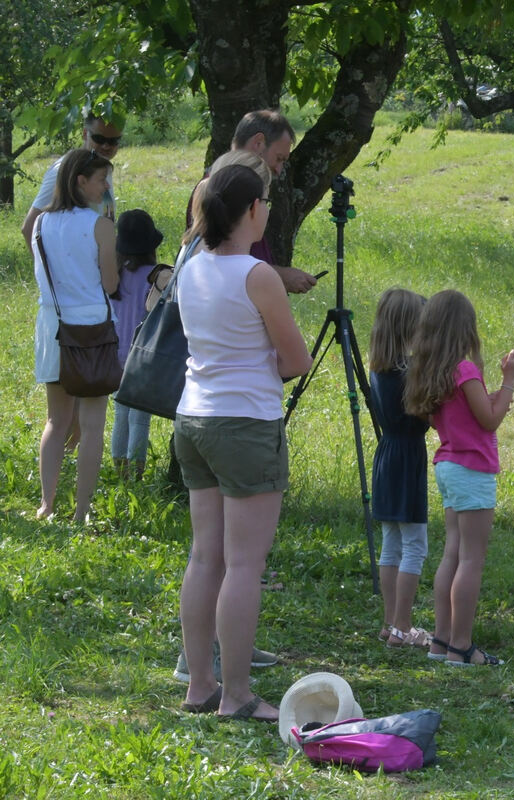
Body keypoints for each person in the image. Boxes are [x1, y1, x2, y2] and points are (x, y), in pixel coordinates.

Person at [174, 161, 312, 721]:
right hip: (245, 424)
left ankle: (199, 685)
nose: (270, 210)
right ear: (250, 210)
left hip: (193, 419)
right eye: (266, 202)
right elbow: (296, 360)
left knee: (205, 557)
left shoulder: (190, 266)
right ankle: (236, 695)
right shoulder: (257, 275)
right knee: (244, 566)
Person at [406, 290, 514, 666]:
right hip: (472, 469)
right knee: (471, 559)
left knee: (453, 553)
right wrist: (510, 380)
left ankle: (441, 641)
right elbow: (489, 420)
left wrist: (492, 390)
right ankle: (461, 645)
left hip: (448, 465)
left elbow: (471, 413)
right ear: (465, 329)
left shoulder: (434, 372)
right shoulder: (463, 370)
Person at [30, 148, 118, 523]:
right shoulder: (100, 225)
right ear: (81, 182)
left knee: (56, 419)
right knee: (94, 425)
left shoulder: (40, 224)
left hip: (52, 325)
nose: (105, 187)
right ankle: (81, 512)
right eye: (101, 180)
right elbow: (111, 283)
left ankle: (46, 504)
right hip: (93, 328)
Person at [185, 109, 316, 295]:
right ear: (258, 143)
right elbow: (220, 264)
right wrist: (280, 276)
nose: (279, 170)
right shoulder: (216, 190)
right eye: (279, 159)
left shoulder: (223, 186)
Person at [368, 287, 432, 649]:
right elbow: (428, 416)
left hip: (387, 455)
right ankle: (403, 628)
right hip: (407, 457)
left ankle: (390, 621)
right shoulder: (409, 375)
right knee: (415, 545)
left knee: (392, 542)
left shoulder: (380, 369)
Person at [110, 209, 164, 480]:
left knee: (120, 415)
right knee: (139, 418)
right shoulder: (154, 278)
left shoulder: (113, 276)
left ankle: (119, 473)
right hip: (144, 357)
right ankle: (137, 475)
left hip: (115, 356)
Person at [22, 114, 122, 249]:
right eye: (99, 139)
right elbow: (29, 228)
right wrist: (45, 269)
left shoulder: (103, 168)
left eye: (113, 141)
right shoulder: (64, 171)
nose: (106, 146)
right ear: (85, 133)